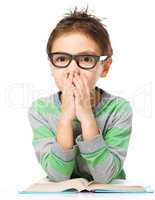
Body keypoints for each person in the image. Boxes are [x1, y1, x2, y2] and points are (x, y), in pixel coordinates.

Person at [28, 7, 133, 183]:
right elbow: (58, 176)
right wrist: (65, 119)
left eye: (85, 59)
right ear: (51, 67)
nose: (73, 70)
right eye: (62, 59)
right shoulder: (40, 110)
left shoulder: (119, 109)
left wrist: (86, 116)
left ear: (104, 67)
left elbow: (105, 176)